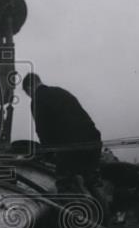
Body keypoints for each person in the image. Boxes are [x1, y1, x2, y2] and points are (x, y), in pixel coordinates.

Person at [21, 72, 105, 201]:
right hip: (93, 140)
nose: (29, 96)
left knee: (65, 185)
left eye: (28, 94)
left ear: (29, 88)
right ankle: (105, 216)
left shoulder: (37, 99)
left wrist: (47, 155)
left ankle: (73, 218)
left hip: (71, 146)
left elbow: (43, 130)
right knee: (91, 182)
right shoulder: (61, 92)